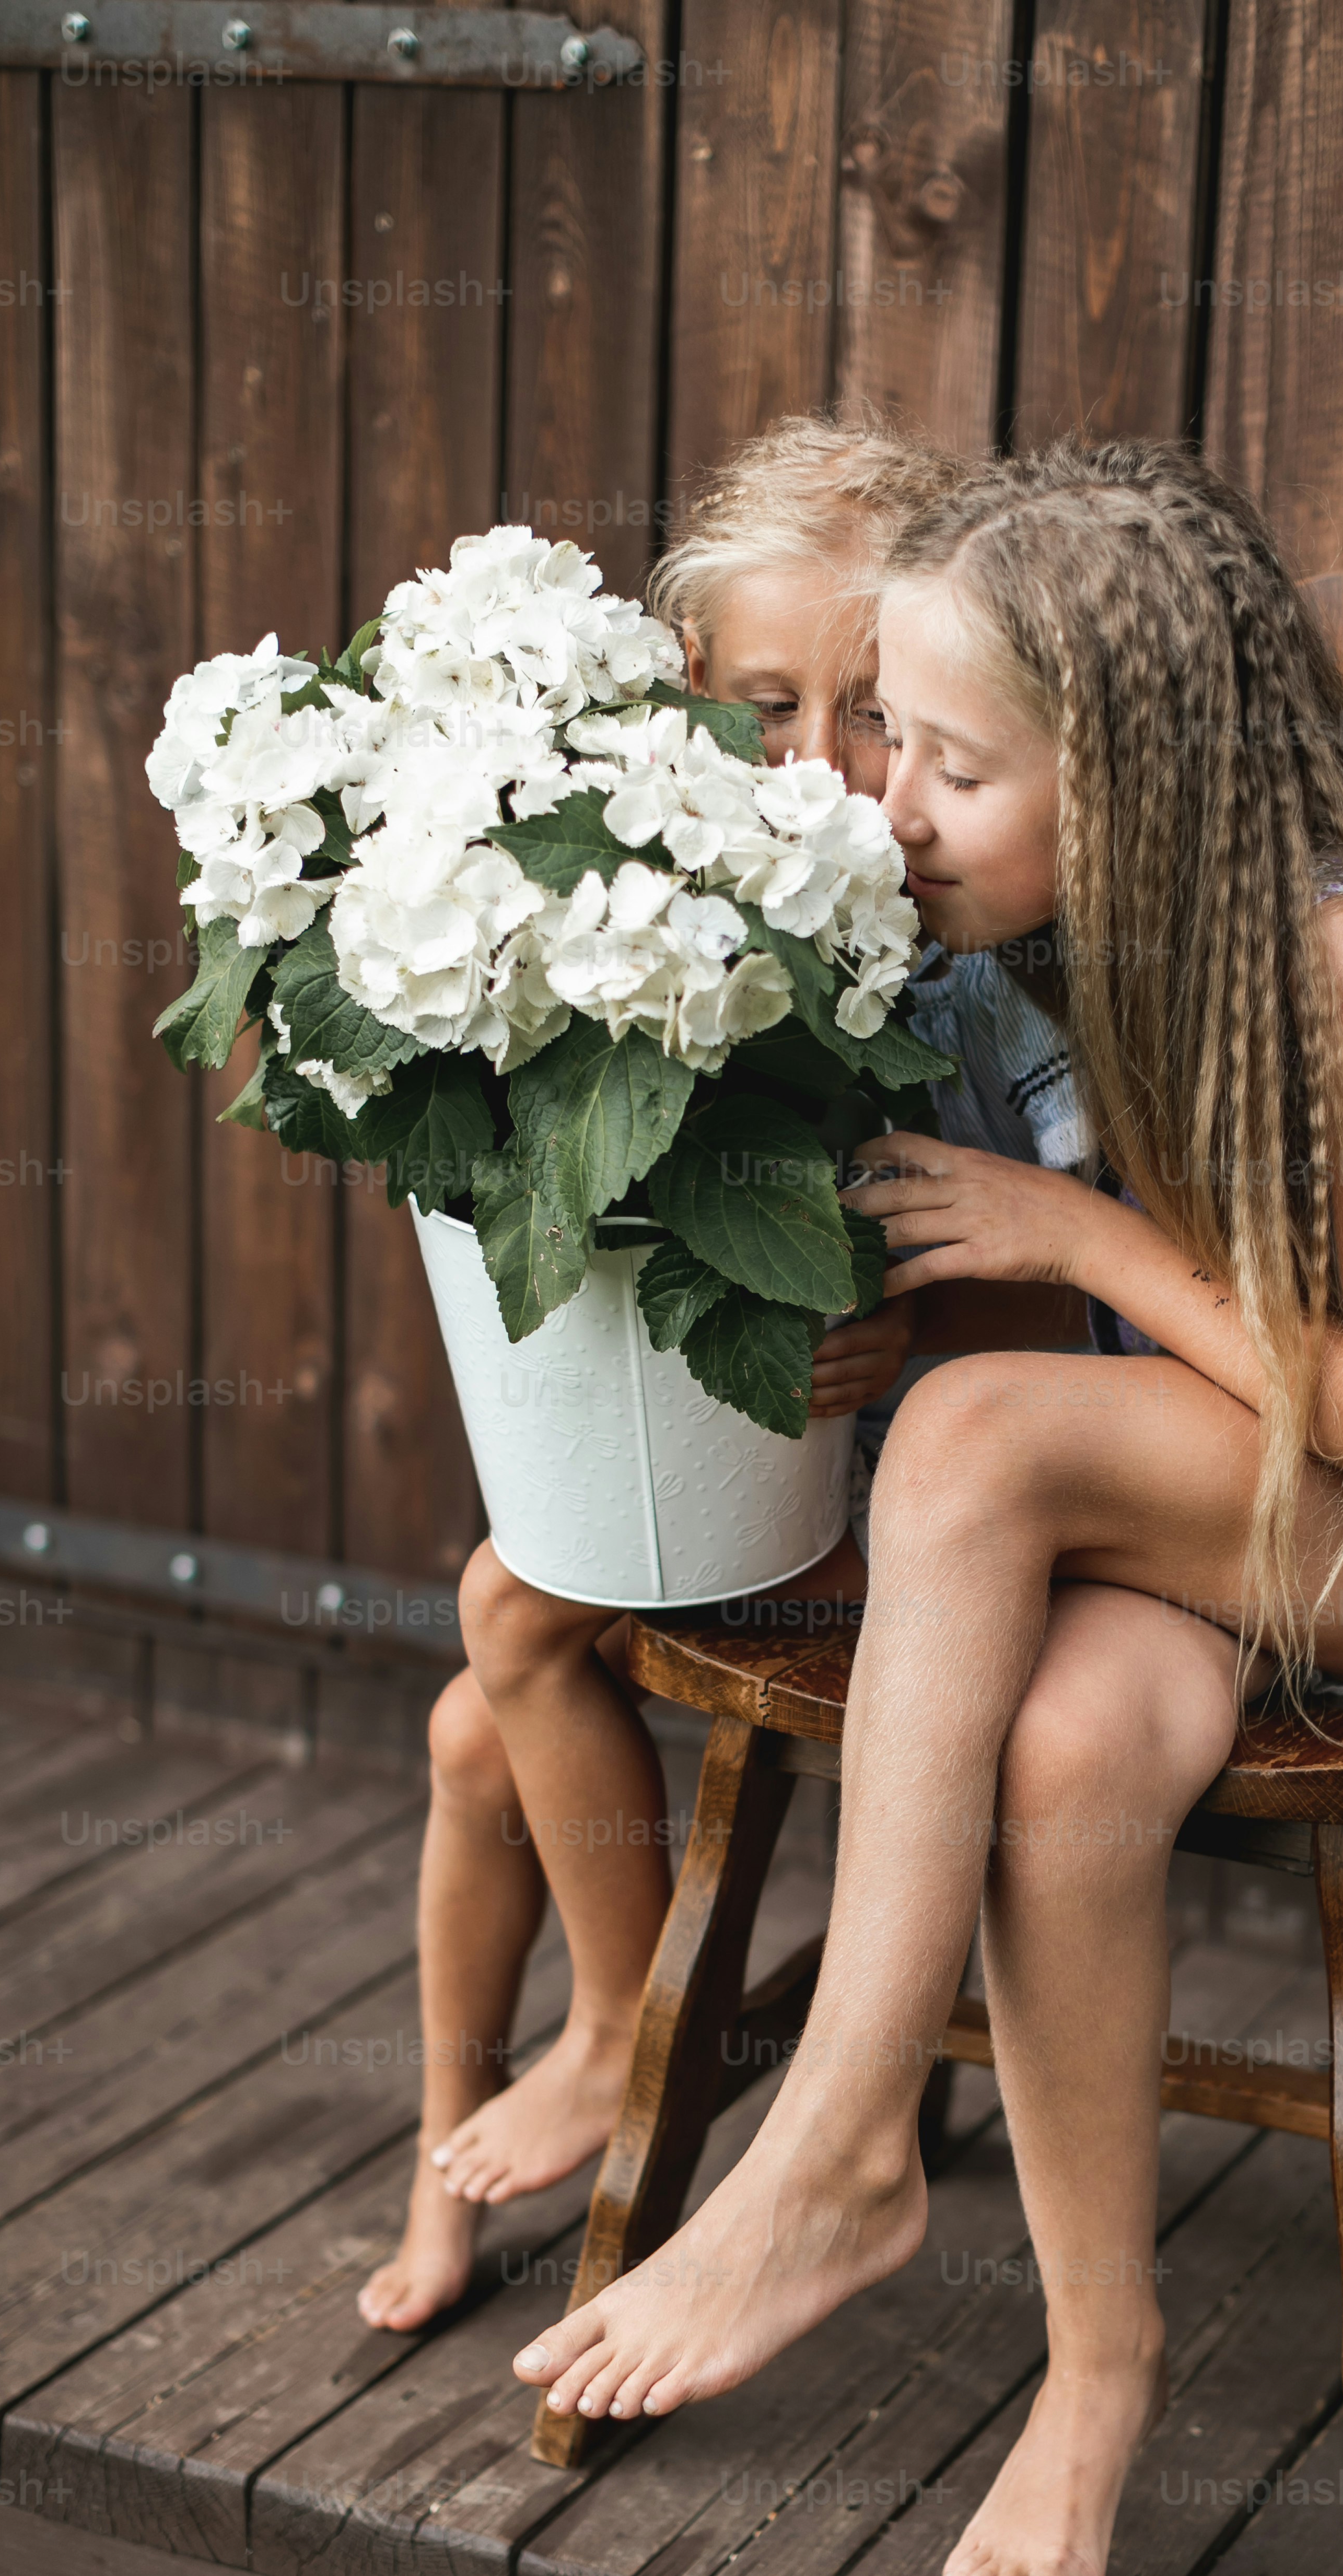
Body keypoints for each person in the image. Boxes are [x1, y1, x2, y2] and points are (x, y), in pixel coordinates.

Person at [508, 439, 1343, 2576]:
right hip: (1221, 1483)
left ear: (1120, 786)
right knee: (1069, 1747)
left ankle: (834, 2141)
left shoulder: (1342, 951)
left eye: (943, 760)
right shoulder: (1033, 934)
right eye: (879, 737)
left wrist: (1067, 1232)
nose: (888, 805)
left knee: (986, 1432)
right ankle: (1099, 2364)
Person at [359, 416, 1088, 2332]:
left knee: (503, 1632)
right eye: (772, 706)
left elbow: (1065, 1308)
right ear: (686, 695)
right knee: (470, 1723)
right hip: (756, 1460)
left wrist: (911, 1327)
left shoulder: (970, 947)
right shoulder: (649, 912)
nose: (830, 768)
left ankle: (616, 2035)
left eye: (877, 709)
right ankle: (445, 2147)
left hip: (943, 1511)